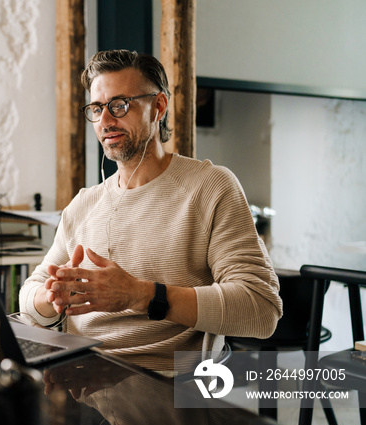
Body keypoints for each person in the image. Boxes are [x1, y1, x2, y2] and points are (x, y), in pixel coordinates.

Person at [18, 49, 282, 371]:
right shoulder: (83, 204)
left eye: (119, 105)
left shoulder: (210, 187)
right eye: (97, 108)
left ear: (158, 107)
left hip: (164, 388)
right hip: (80, 379)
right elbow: (30, 298)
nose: (105, 121)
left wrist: (141, 295)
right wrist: (51, 297)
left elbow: (261, 309)